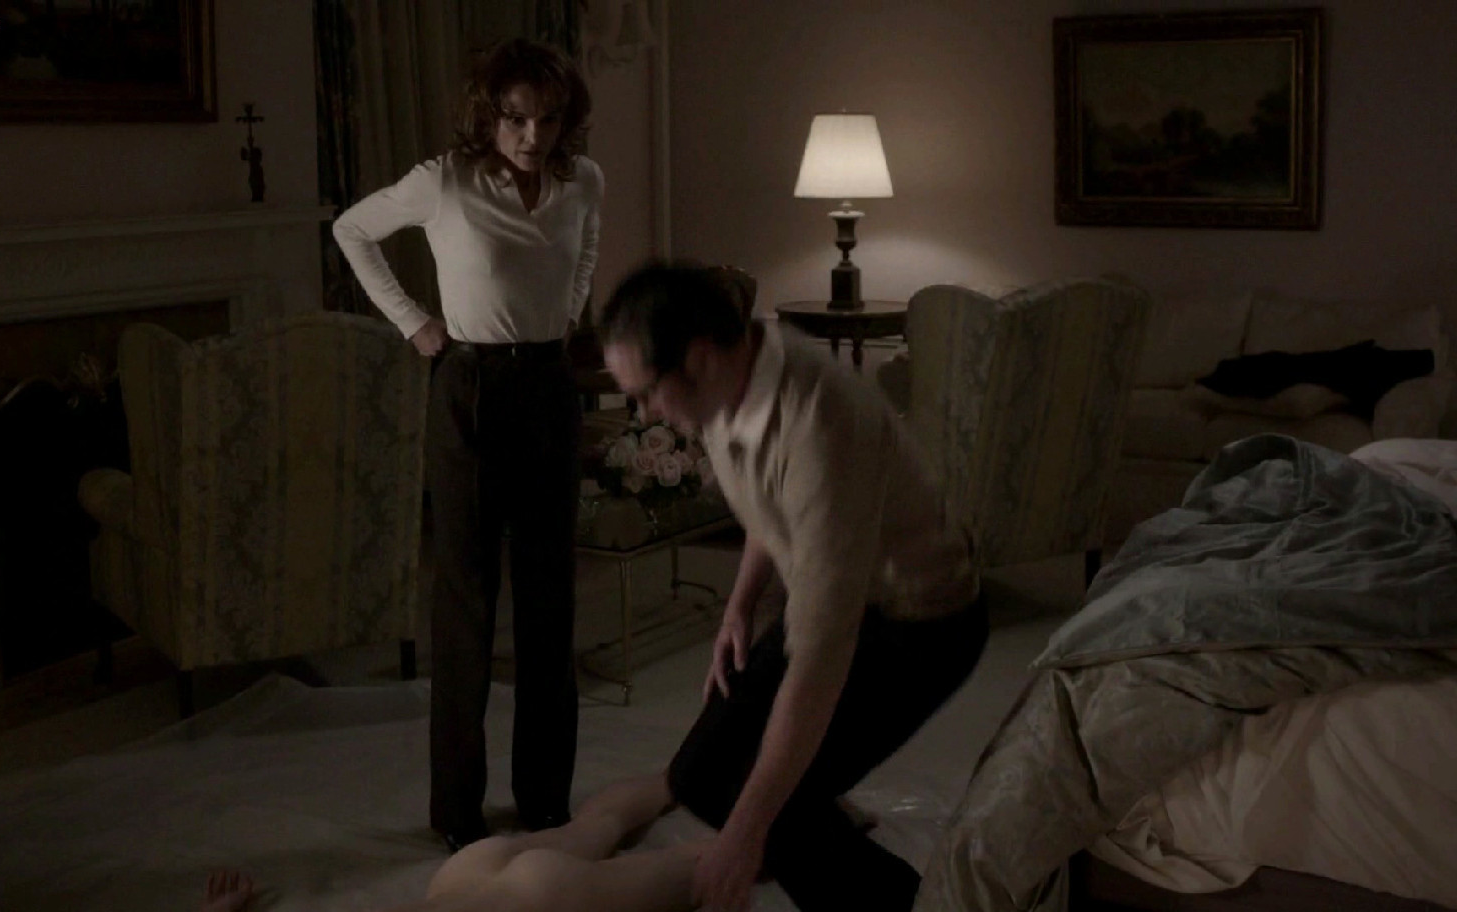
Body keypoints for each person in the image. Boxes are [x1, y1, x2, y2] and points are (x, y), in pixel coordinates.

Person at [595, 261, 990, 912]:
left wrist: (746, 837)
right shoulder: (734, 380)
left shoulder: (823, 425)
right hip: (834, 595)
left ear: (699, 358)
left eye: (644, 394)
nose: (643, 414)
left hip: (921, 622)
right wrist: (739, 608)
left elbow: (818, 663)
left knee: (772, 812)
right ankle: (822, 830)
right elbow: (769, 501)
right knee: (699, 778)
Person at [332, 37, 603, 852]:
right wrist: (414, 323)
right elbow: (352, 230)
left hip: (549, 388)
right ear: (489, 115)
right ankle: (457, 810)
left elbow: (586, 247)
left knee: (550, 601)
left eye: (546, 119)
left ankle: (545, 800)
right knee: (466, 603)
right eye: (516, 118)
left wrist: (567, 314)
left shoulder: (583, 181)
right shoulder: (444, 180)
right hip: (471, 389)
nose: (531, 135)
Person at [200, 773, 703, 912]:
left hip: (534, 899)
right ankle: (687, 771)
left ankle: (721, 778)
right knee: (598, 824)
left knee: (701, 869)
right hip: (465, 874)